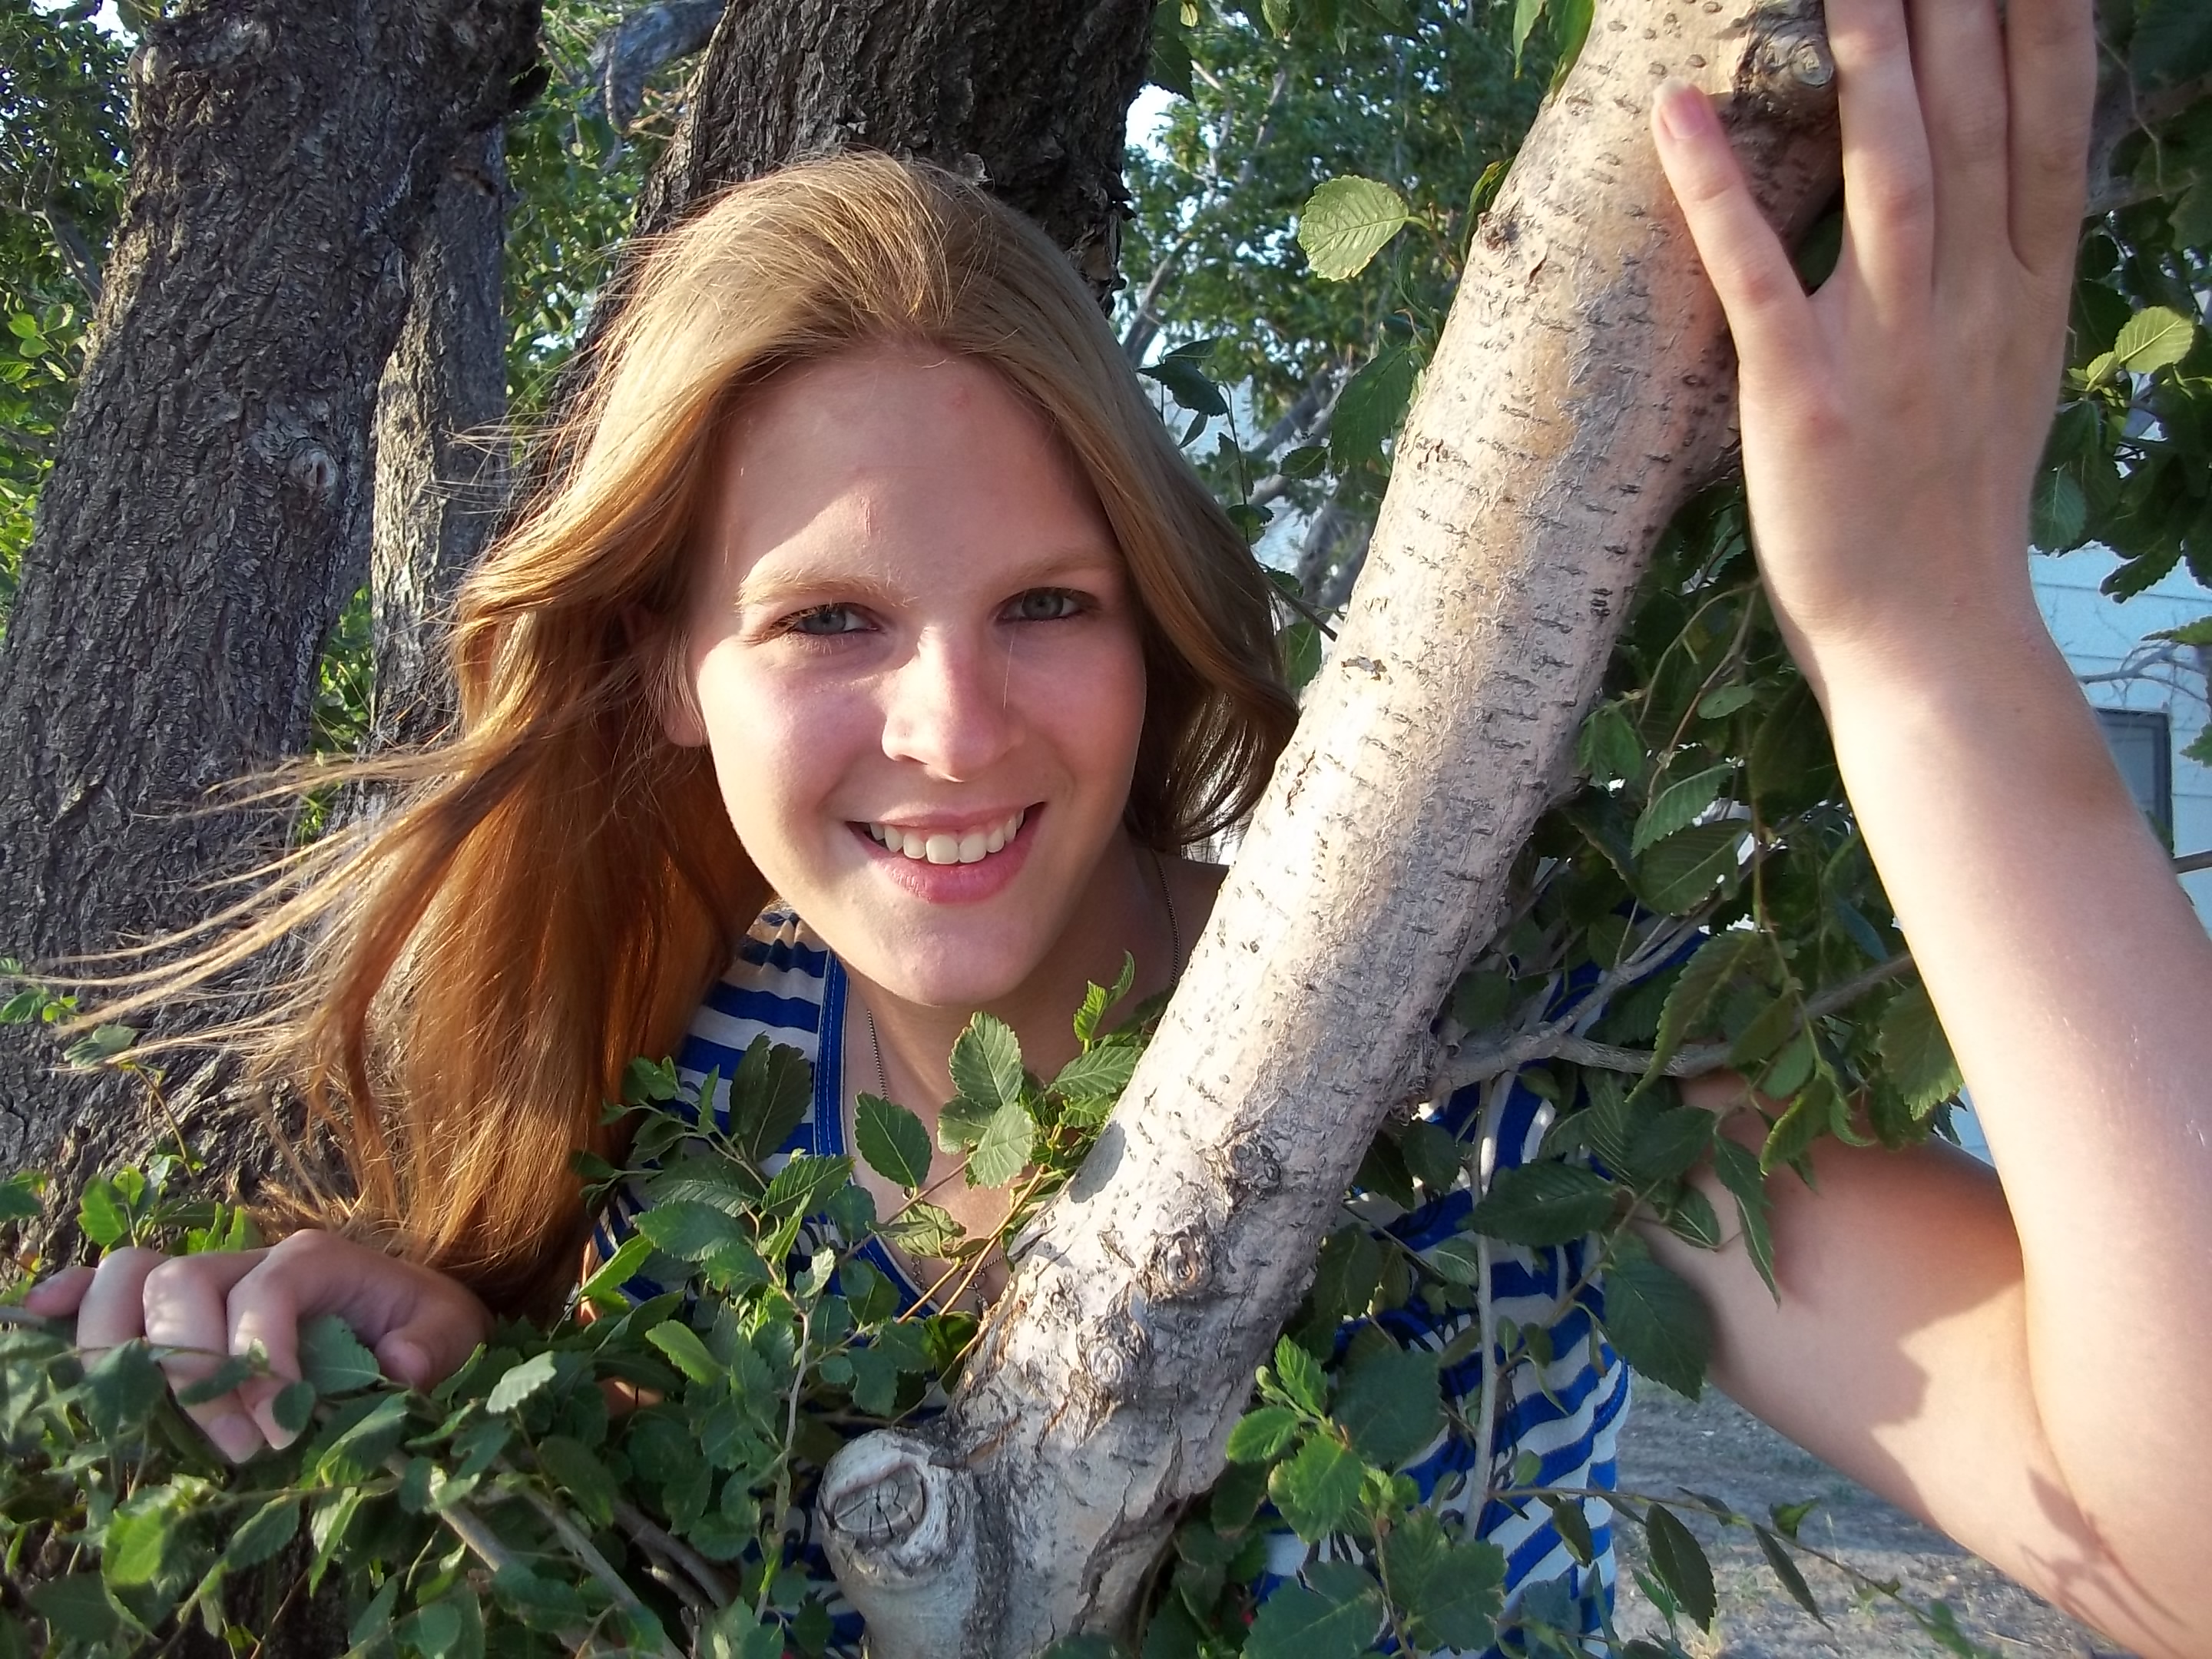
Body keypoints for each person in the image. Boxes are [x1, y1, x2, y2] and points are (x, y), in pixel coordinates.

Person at [22, 0, 2212, 1650]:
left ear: (1158, 630)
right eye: (832, 619)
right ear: (666, 675)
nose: (952, 724)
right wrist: (428, 1358)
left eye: (1048, 604)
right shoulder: (663, 1084)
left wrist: (1929, 645)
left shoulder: (1499, 1079)